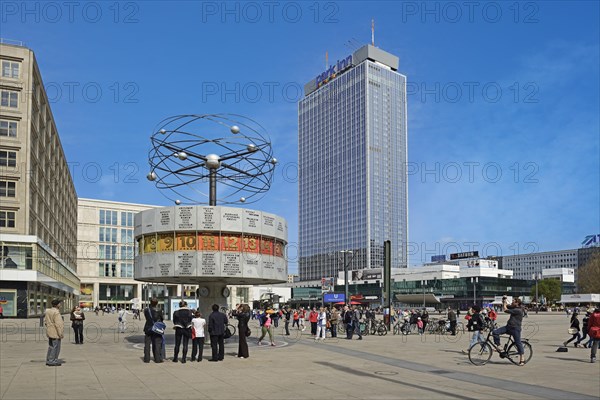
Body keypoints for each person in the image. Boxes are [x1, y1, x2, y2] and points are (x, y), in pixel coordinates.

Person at [492, 297, 525, 366]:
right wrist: (504, 300)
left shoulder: (518, 310)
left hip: (515, 329)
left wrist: (505, 305)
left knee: (517, 342)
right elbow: (506, 305)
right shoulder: (514, 307)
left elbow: (505, 310)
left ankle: (522, 359)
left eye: (514, 301)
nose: (512, 302)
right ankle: (499, 346)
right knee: (495, 332)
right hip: (508, 327)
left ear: (517, 303)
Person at [143, 298, 164, 363]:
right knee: (157, 344)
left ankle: (147, 359)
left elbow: (146, 317)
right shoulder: (159, 310)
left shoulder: (146, 310)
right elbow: (161, 319)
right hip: (157, 328)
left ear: (150, 302)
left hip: (148, 327)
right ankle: (157, 359)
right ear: (157, 303)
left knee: (147, 344)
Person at [44, 299, 64, 366]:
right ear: (57, 305)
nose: (60, 305)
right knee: (56, 346)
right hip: (55, 331)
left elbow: (45, 322)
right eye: (59, 304)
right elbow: (58, 324)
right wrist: (60, 333)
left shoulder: (48, 311)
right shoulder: (56, 312)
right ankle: (52, 360)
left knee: (51, 346)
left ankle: (48, 359)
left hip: (50, 330)